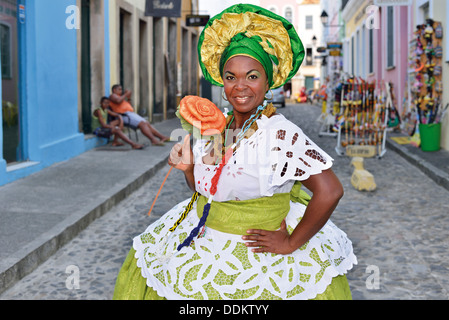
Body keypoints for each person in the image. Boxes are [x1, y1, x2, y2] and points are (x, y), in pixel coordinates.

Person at [113, 4, 356, 300]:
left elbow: (330, 191)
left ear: (268, 82)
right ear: (222, 81)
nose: (240, 86)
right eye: (231, 77)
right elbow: (210, 190)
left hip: (258, 263)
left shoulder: (280, 134)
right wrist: (189, 169)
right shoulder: (219, 129)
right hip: (205, 246)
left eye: (252, 76)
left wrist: (291, 243)